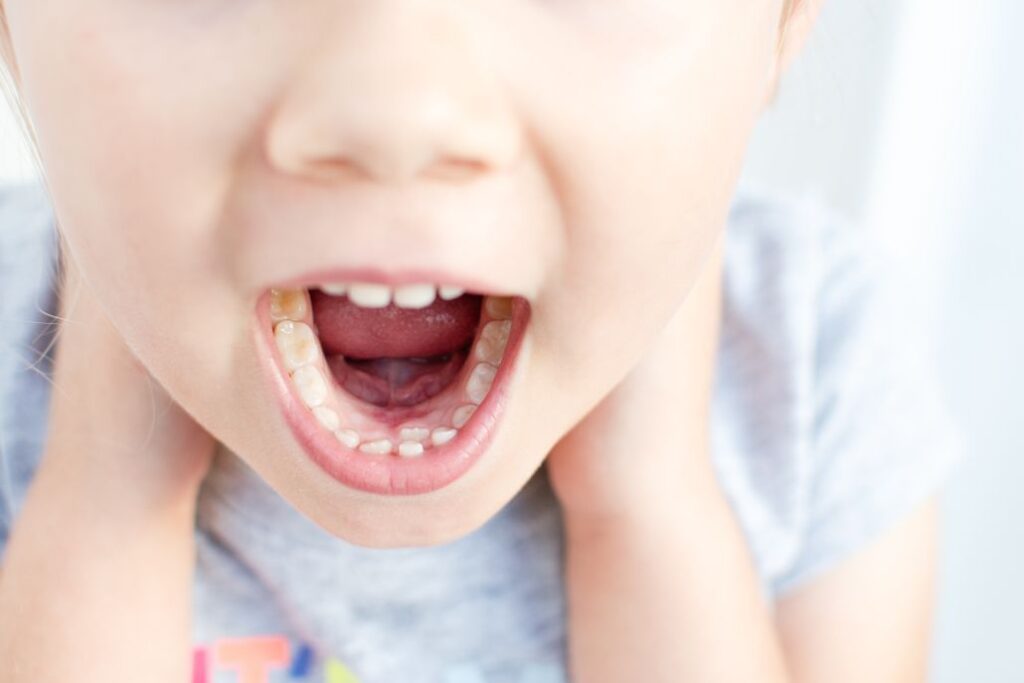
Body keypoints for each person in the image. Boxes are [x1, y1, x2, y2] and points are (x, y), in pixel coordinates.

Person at [0, 1, 964, 681]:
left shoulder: (820, 377)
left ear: (782, 23)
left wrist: (651, 510)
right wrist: (103, 497)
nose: (395, 117)